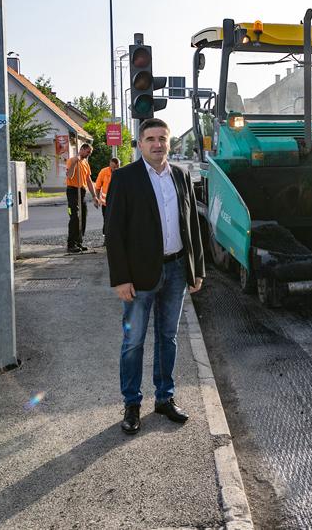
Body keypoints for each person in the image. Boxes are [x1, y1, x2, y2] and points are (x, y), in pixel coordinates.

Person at [105, 118, 205, 434]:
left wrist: (196, 269)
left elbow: (192, 224)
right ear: (140, 144)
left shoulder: (181, 175)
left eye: (162, 138)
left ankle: (164, 398)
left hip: (176, 270)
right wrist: (121, 278)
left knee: (168, 338)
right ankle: (132, 404)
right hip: (138, 276)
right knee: (133, 341)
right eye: (150, 139)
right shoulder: (125, 178)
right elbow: (113, 232)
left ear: (169, 142)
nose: (157, 144)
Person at [65, 142, 99, 254]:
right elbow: (69, 175)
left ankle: (79, 241)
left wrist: (94, 196)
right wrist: (75, 162)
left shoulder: (86, 164)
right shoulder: (72, 160)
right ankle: (71, 244)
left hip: (82, 191)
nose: (89, 154)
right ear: (82, 149)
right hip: (72, 191)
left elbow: (89, 181)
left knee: (83, 217)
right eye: (88, 152)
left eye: (90, 153)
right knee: (75, 217)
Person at [95, 156, 120, 234]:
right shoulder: (104, 172)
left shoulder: (121, 172)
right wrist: (97, 199)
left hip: (117, 203)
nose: (116, 169)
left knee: (117, 221)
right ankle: (106, 237)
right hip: (106, 203)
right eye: (114, 167)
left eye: (117, 167)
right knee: (107, 220)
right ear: (110, 165)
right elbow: (98, 187)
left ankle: (115, 236)